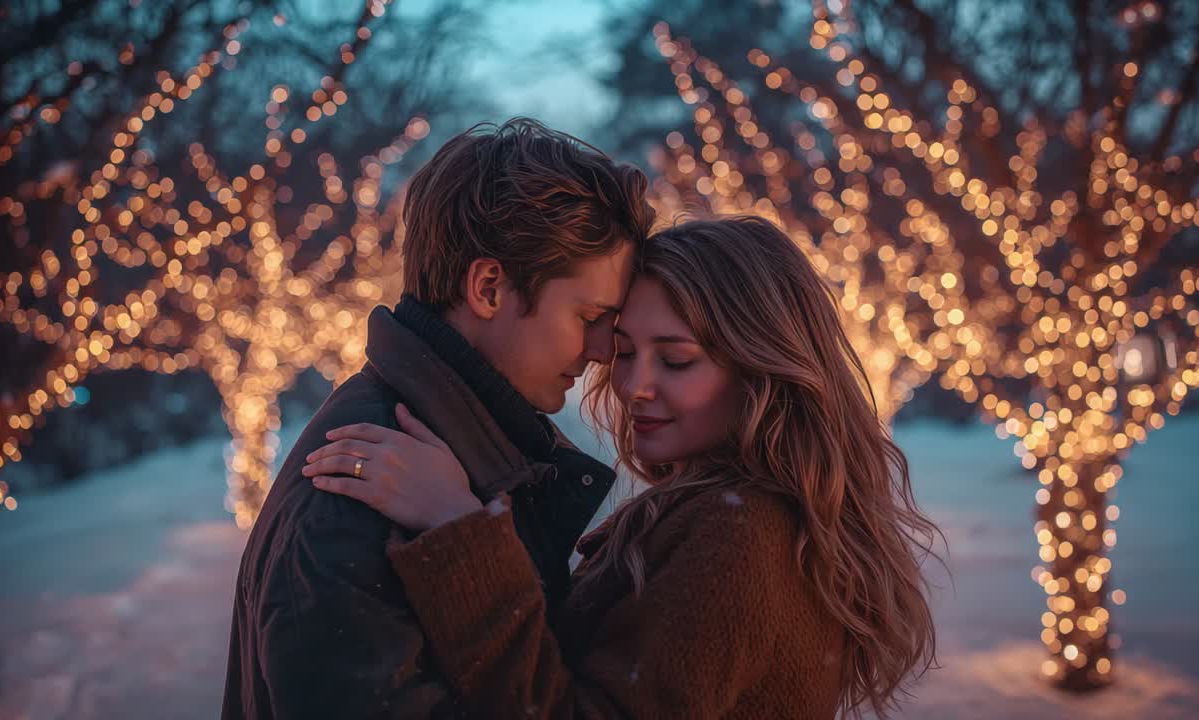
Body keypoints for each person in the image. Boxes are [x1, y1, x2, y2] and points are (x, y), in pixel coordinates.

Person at [308, 216, 942, 718]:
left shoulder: (742, 536)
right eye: (626, 351)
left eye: (677, 359)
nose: (634, 385)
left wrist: (457, 527)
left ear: (761, 372)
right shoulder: (720, 511)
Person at [221, 117, 655, 719]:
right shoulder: (352, 505)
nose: (604, 349)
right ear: (488, 287)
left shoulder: (461, 454)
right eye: (587, 317)